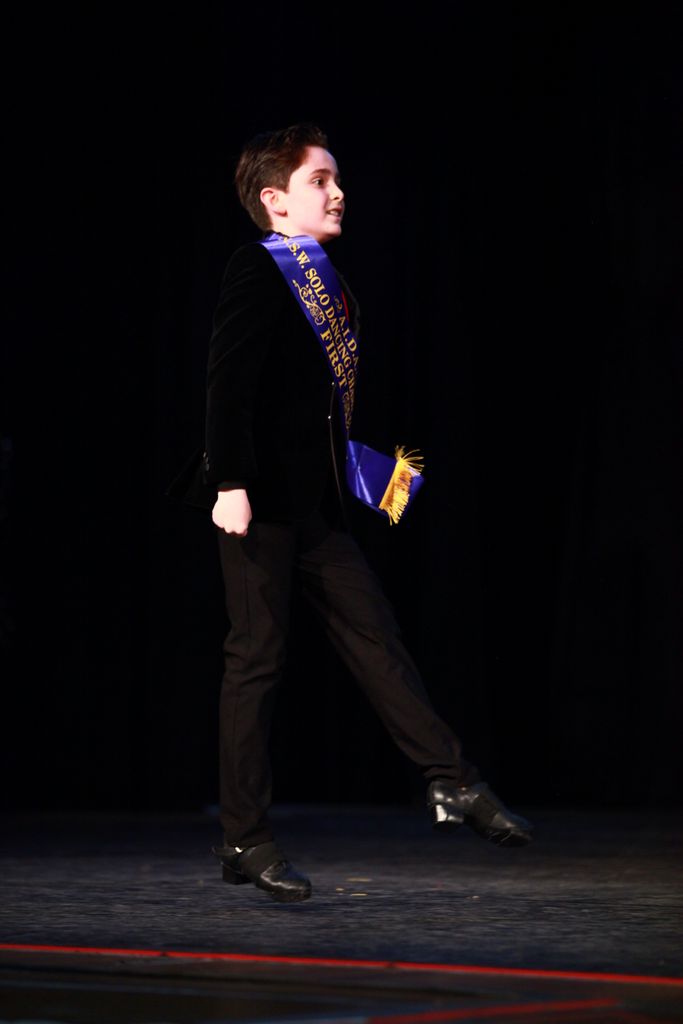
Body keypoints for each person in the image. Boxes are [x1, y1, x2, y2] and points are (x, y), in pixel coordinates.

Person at [169, 123, 532, 904]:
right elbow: (226, 385)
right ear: (275, 201)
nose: (337, 193)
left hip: (314, 509)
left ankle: (450, 780)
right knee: (256, 661)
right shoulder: (258, 267)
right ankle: (243, 838)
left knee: (377, 639)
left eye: (336, 179)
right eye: (319, 180)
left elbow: (315, 409)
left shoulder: (327, 279)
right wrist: (228, 483)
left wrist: (380, 480)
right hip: (256, 506)